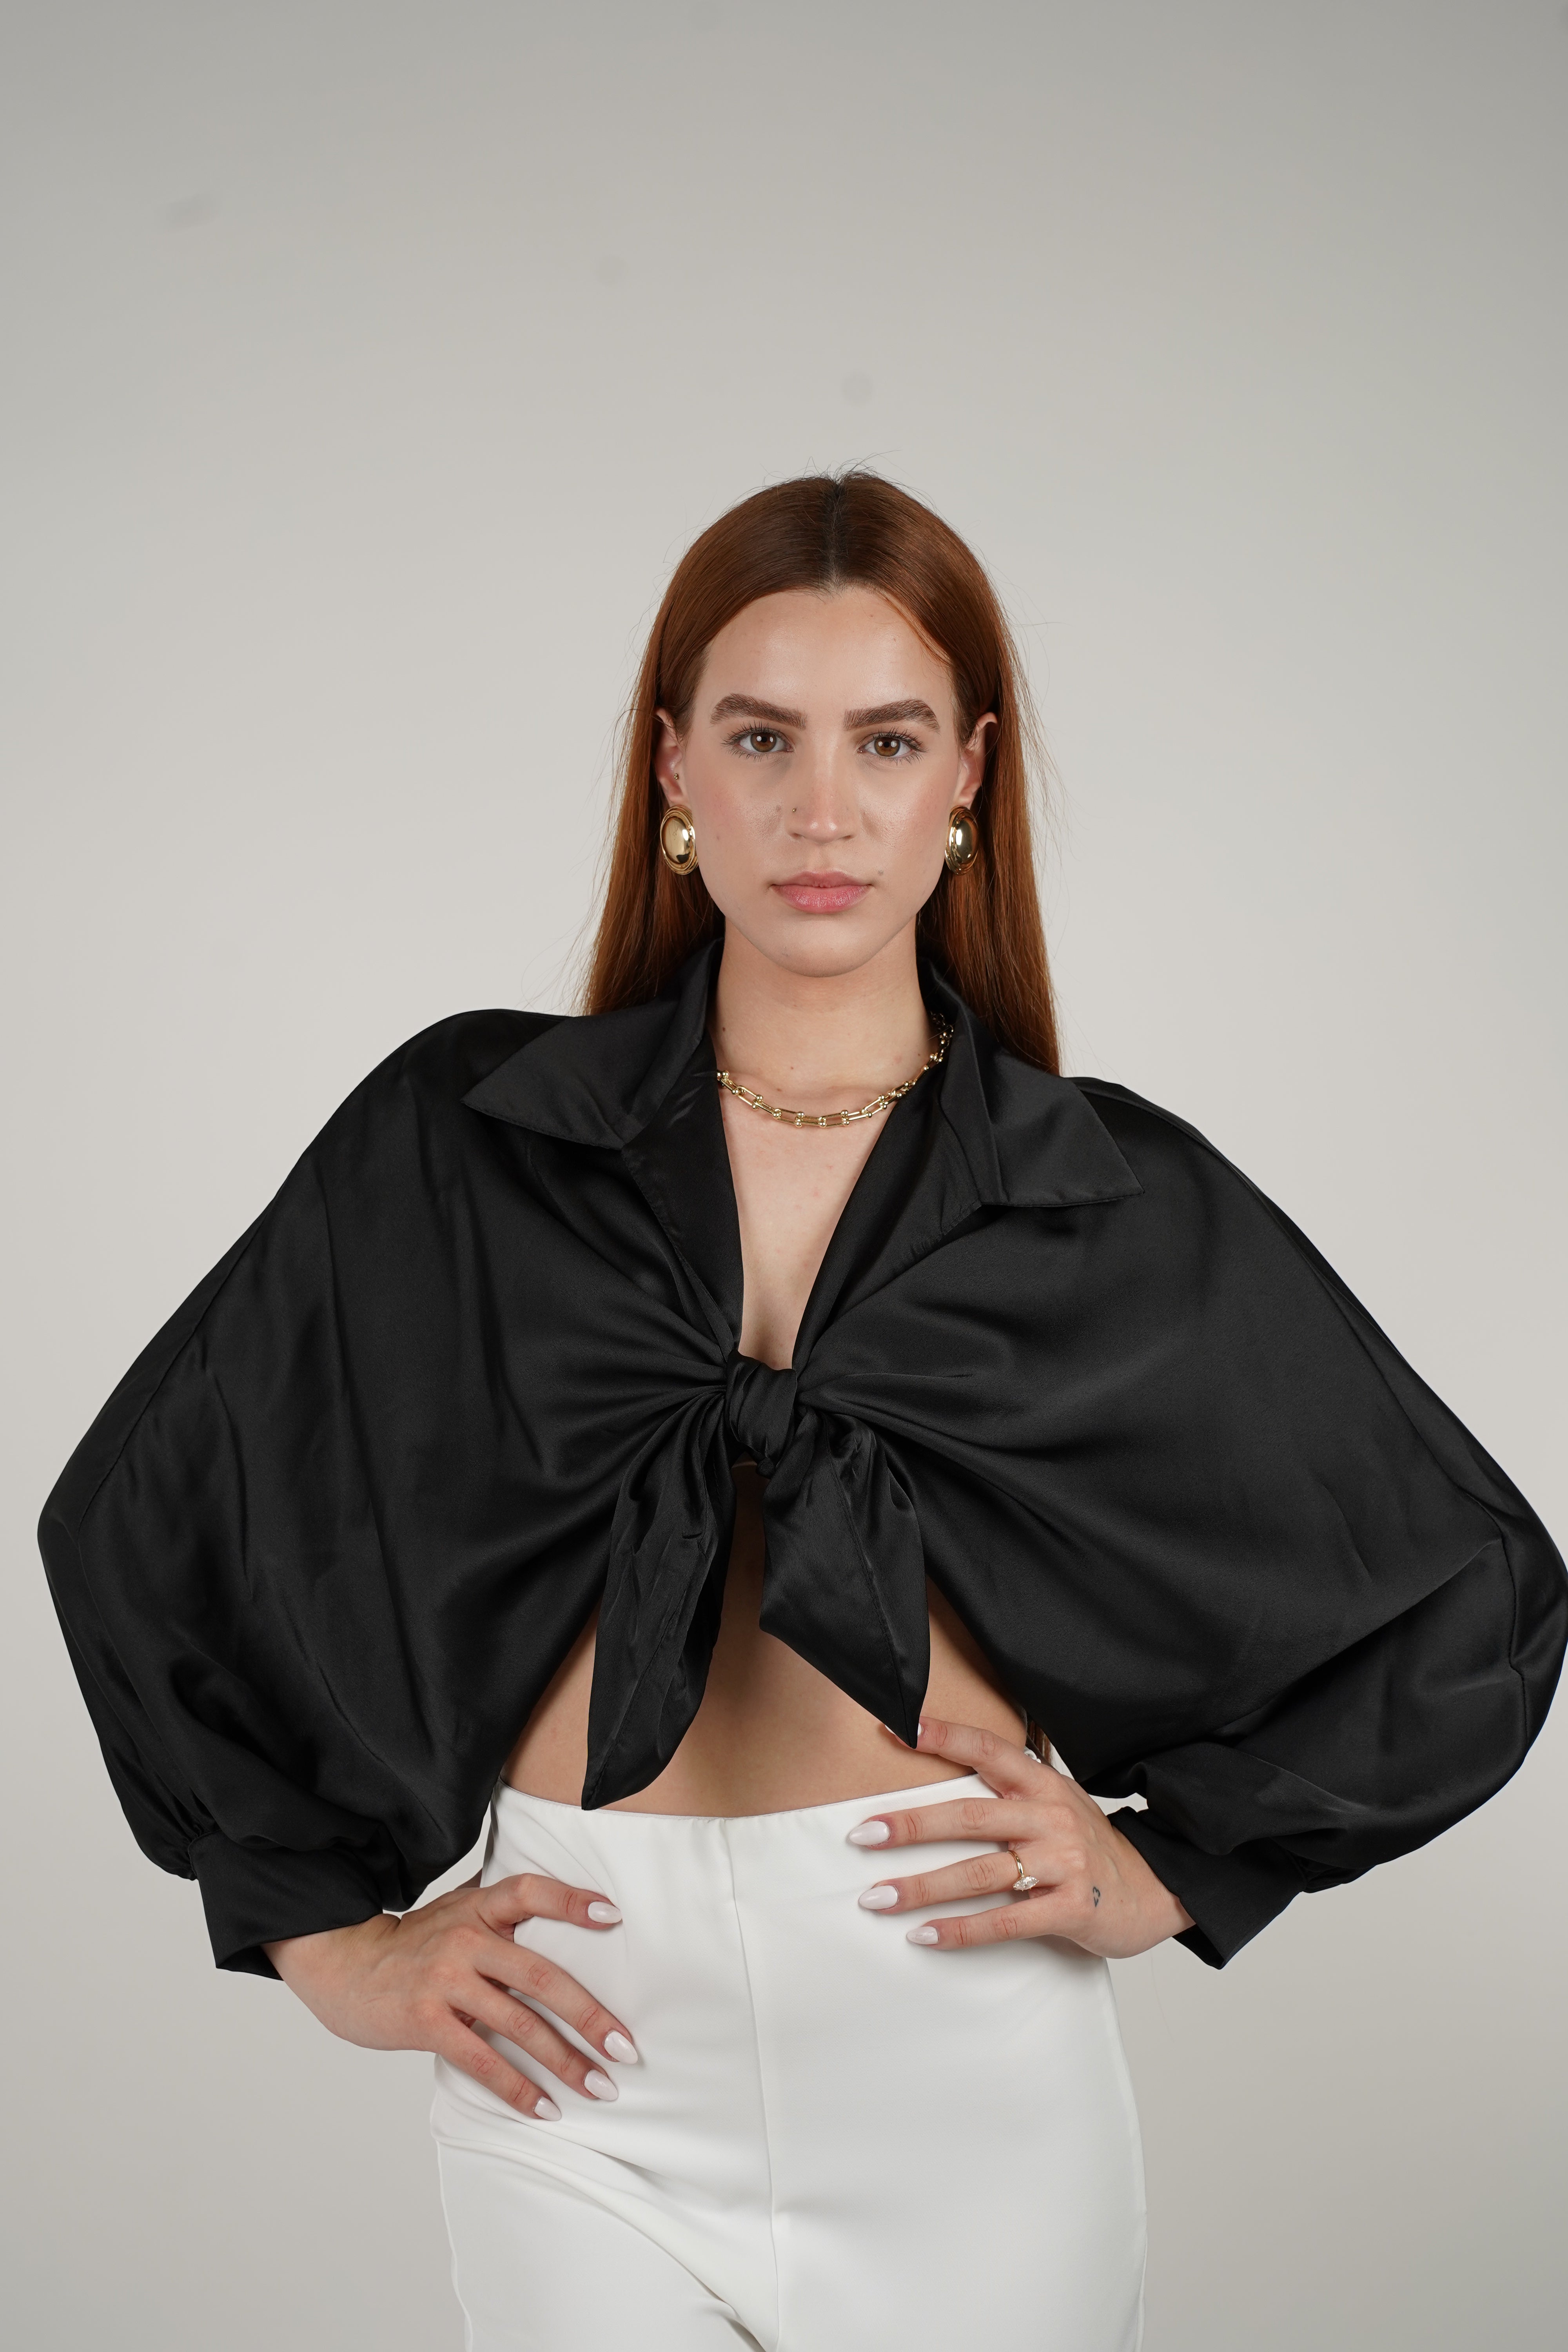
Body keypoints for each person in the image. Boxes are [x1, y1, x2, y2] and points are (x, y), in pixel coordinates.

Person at [39, 472, 1566, 2352]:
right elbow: (150, 1522)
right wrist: (324, 1941)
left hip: (958, 2050)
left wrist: (1175, 1867)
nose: (821, 811)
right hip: (577, 2043)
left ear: (967, 778)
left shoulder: (1100, 1195)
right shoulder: (465, 1137)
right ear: (672, 766)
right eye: (761, 737)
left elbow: (1461, 1592)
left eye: (886, 741)